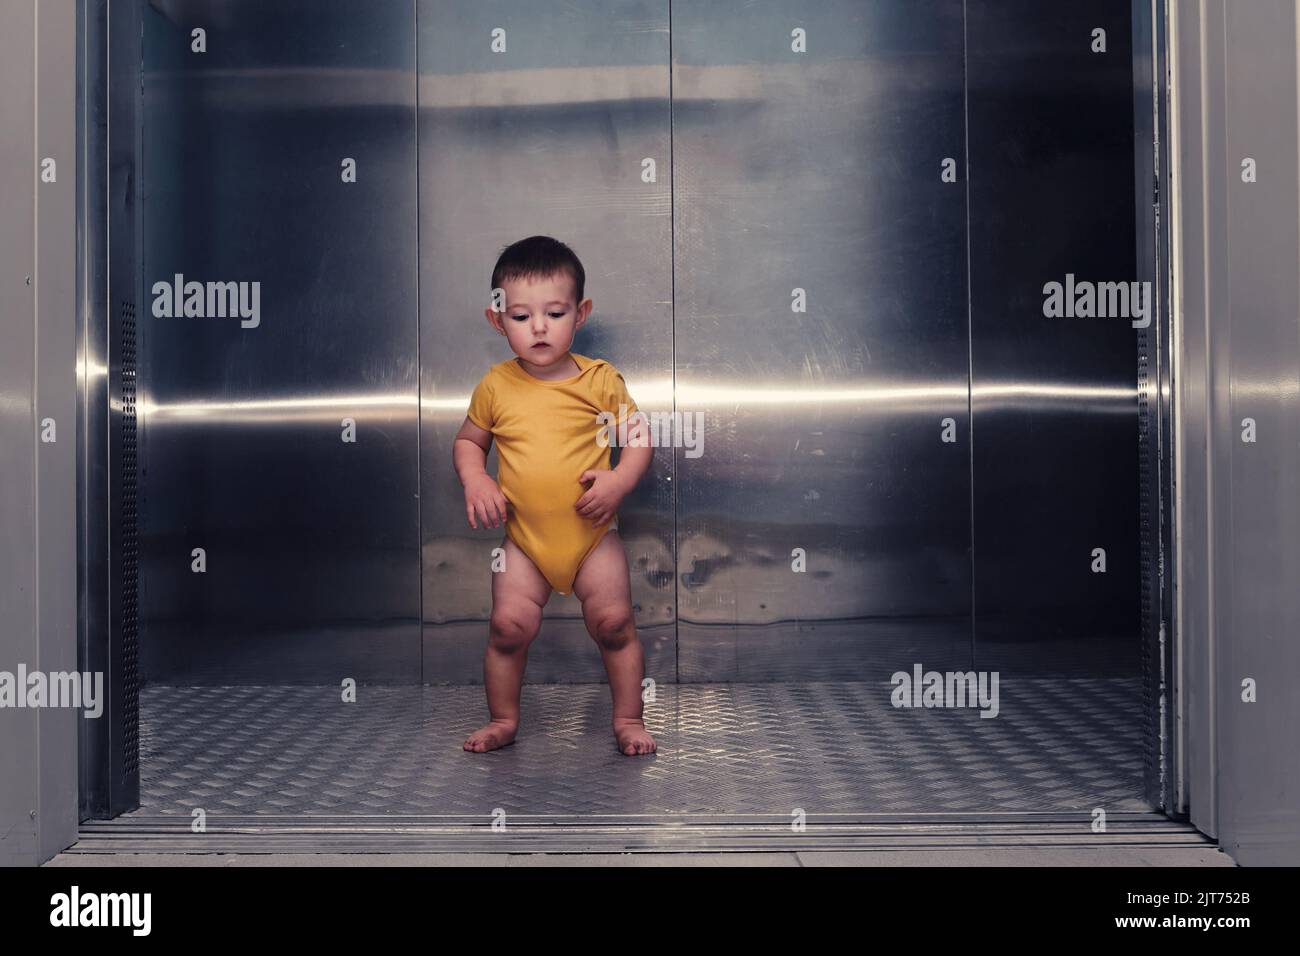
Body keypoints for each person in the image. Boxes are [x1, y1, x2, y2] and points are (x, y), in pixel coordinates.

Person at [453, 236, 656, 756]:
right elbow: (468, 442)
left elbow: (637, 437)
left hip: (592, 536)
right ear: (497, 321)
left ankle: (629, 718)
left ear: (580, 313)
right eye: (521, 317)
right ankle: (503, 719)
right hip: (523, 542)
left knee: (614, 624)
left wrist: (618, 481)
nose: (538, 327)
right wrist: (476, 479)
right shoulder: (495, 386)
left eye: (555, 312)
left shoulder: (600, 380)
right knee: (507, 628)